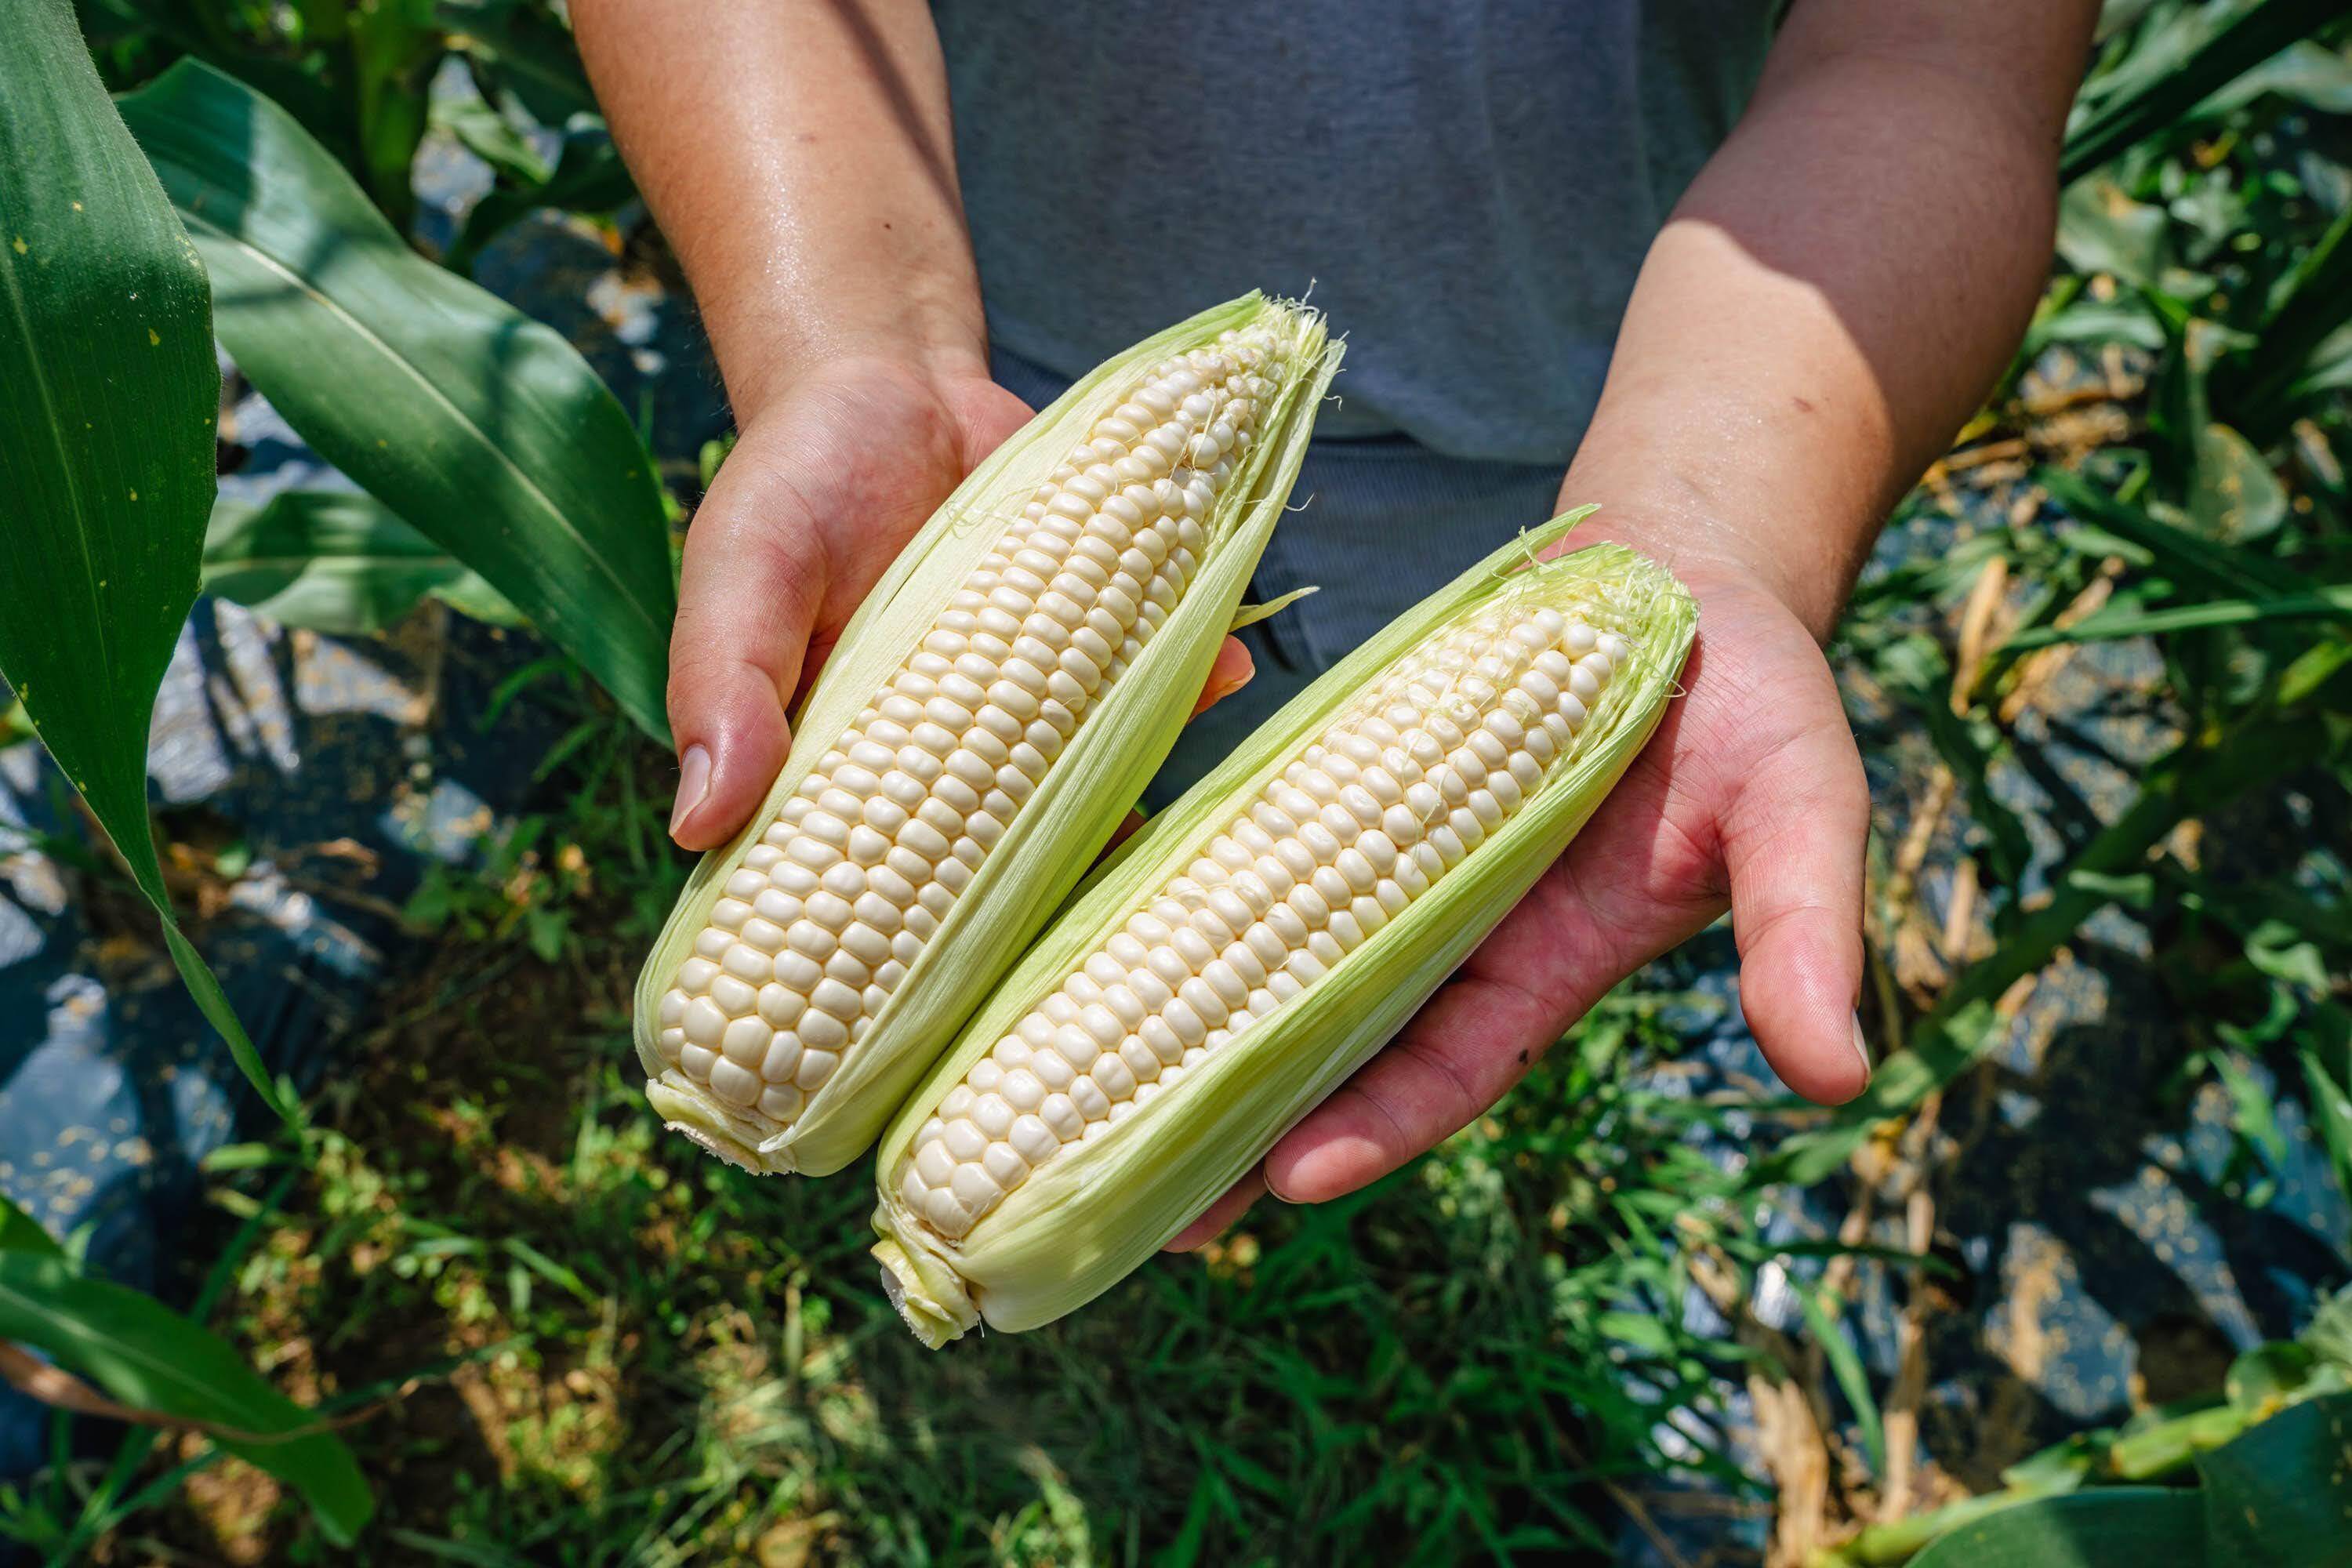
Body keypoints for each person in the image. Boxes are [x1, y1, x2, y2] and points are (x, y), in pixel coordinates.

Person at [571, 0, 2099, 1243]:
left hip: (1603, 444)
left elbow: (1934, 56)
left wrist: (1715, 523)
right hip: (989, 416)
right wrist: (859, 342)